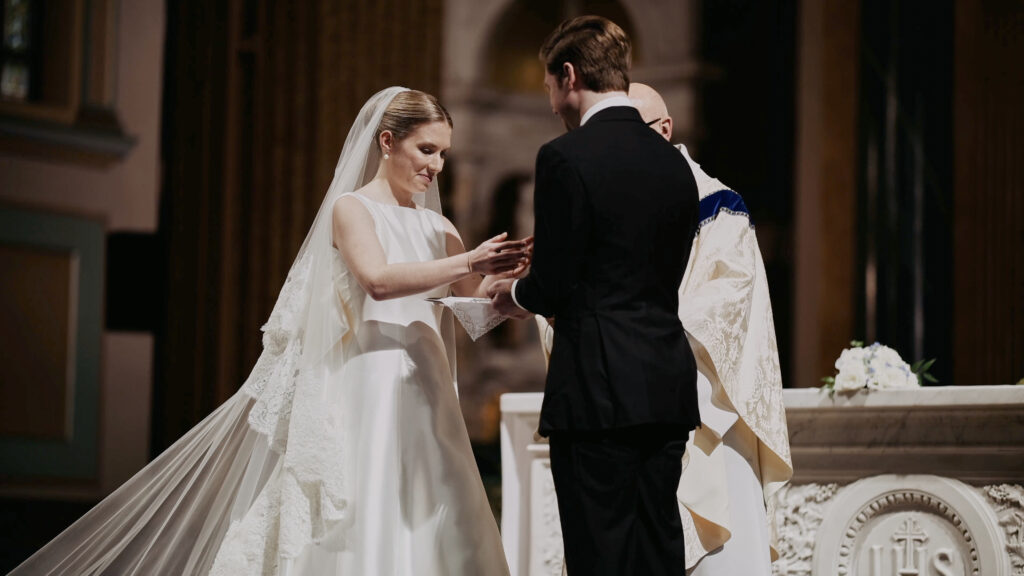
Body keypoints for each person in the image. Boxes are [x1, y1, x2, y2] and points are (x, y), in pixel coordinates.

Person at [10, 87, 523, 576]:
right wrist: (469, 260)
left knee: (435, 506)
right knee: (365, 504)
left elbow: (472, 302)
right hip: (370, 381)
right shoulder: (353, 210)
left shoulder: (442, 229)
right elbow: (379, 282)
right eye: (426, 148)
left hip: (428, 385)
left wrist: (513, 287)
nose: (435, 165)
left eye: (443, 154)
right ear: (387, 142)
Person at [490, 16, 701, 576]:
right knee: (657, 550)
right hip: (664, 383)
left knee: (599, 555)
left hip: (597, 389)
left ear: (569, 75)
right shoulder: (676, 164)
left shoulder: (565, 158)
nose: (553, 106)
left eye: (549, 90)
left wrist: (508, 294)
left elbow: (552, 286)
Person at [629, 82, 794, 575]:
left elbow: (722, 309)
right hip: (633, 417)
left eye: (632, 135)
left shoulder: (717, 205)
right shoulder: (615, 210)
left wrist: (628, 337)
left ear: (665, 130)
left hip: (706, 416)